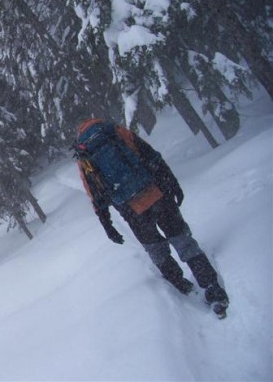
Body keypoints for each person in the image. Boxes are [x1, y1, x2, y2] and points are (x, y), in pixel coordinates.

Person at [74, 118, 229, 317]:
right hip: (156, 194)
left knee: (156, 249)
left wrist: (107, 225)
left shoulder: (84, 153)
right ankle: (212, 288)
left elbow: (95, 193)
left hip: (132, 210)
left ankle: (182, 287)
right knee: (182, 239)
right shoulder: (115, 131)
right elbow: (149, 154)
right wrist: (172, 182)